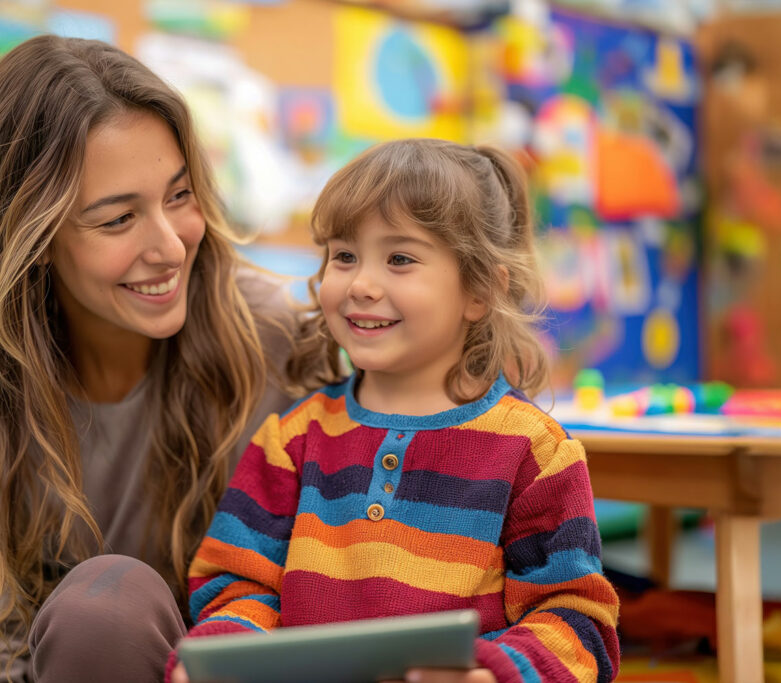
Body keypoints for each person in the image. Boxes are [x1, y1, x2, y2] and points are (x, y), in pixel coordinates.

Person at [0, 35, 330, 682]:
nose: (169, 246)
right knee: (104, 607)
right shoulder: (7, 400)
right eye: (117, 219)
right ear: (33, 241)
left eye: (179, 195)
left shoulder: (282, 341)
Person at [171, 139, 621, 682]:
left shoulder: (534, 450)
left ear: (478, 291)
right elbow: (232, 583)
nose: (360, 284)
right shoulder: (292, 439)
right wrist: (228, 654)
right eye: (344, 256)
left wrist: (493, 674)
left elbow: (578, 620)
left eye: (400, 259)